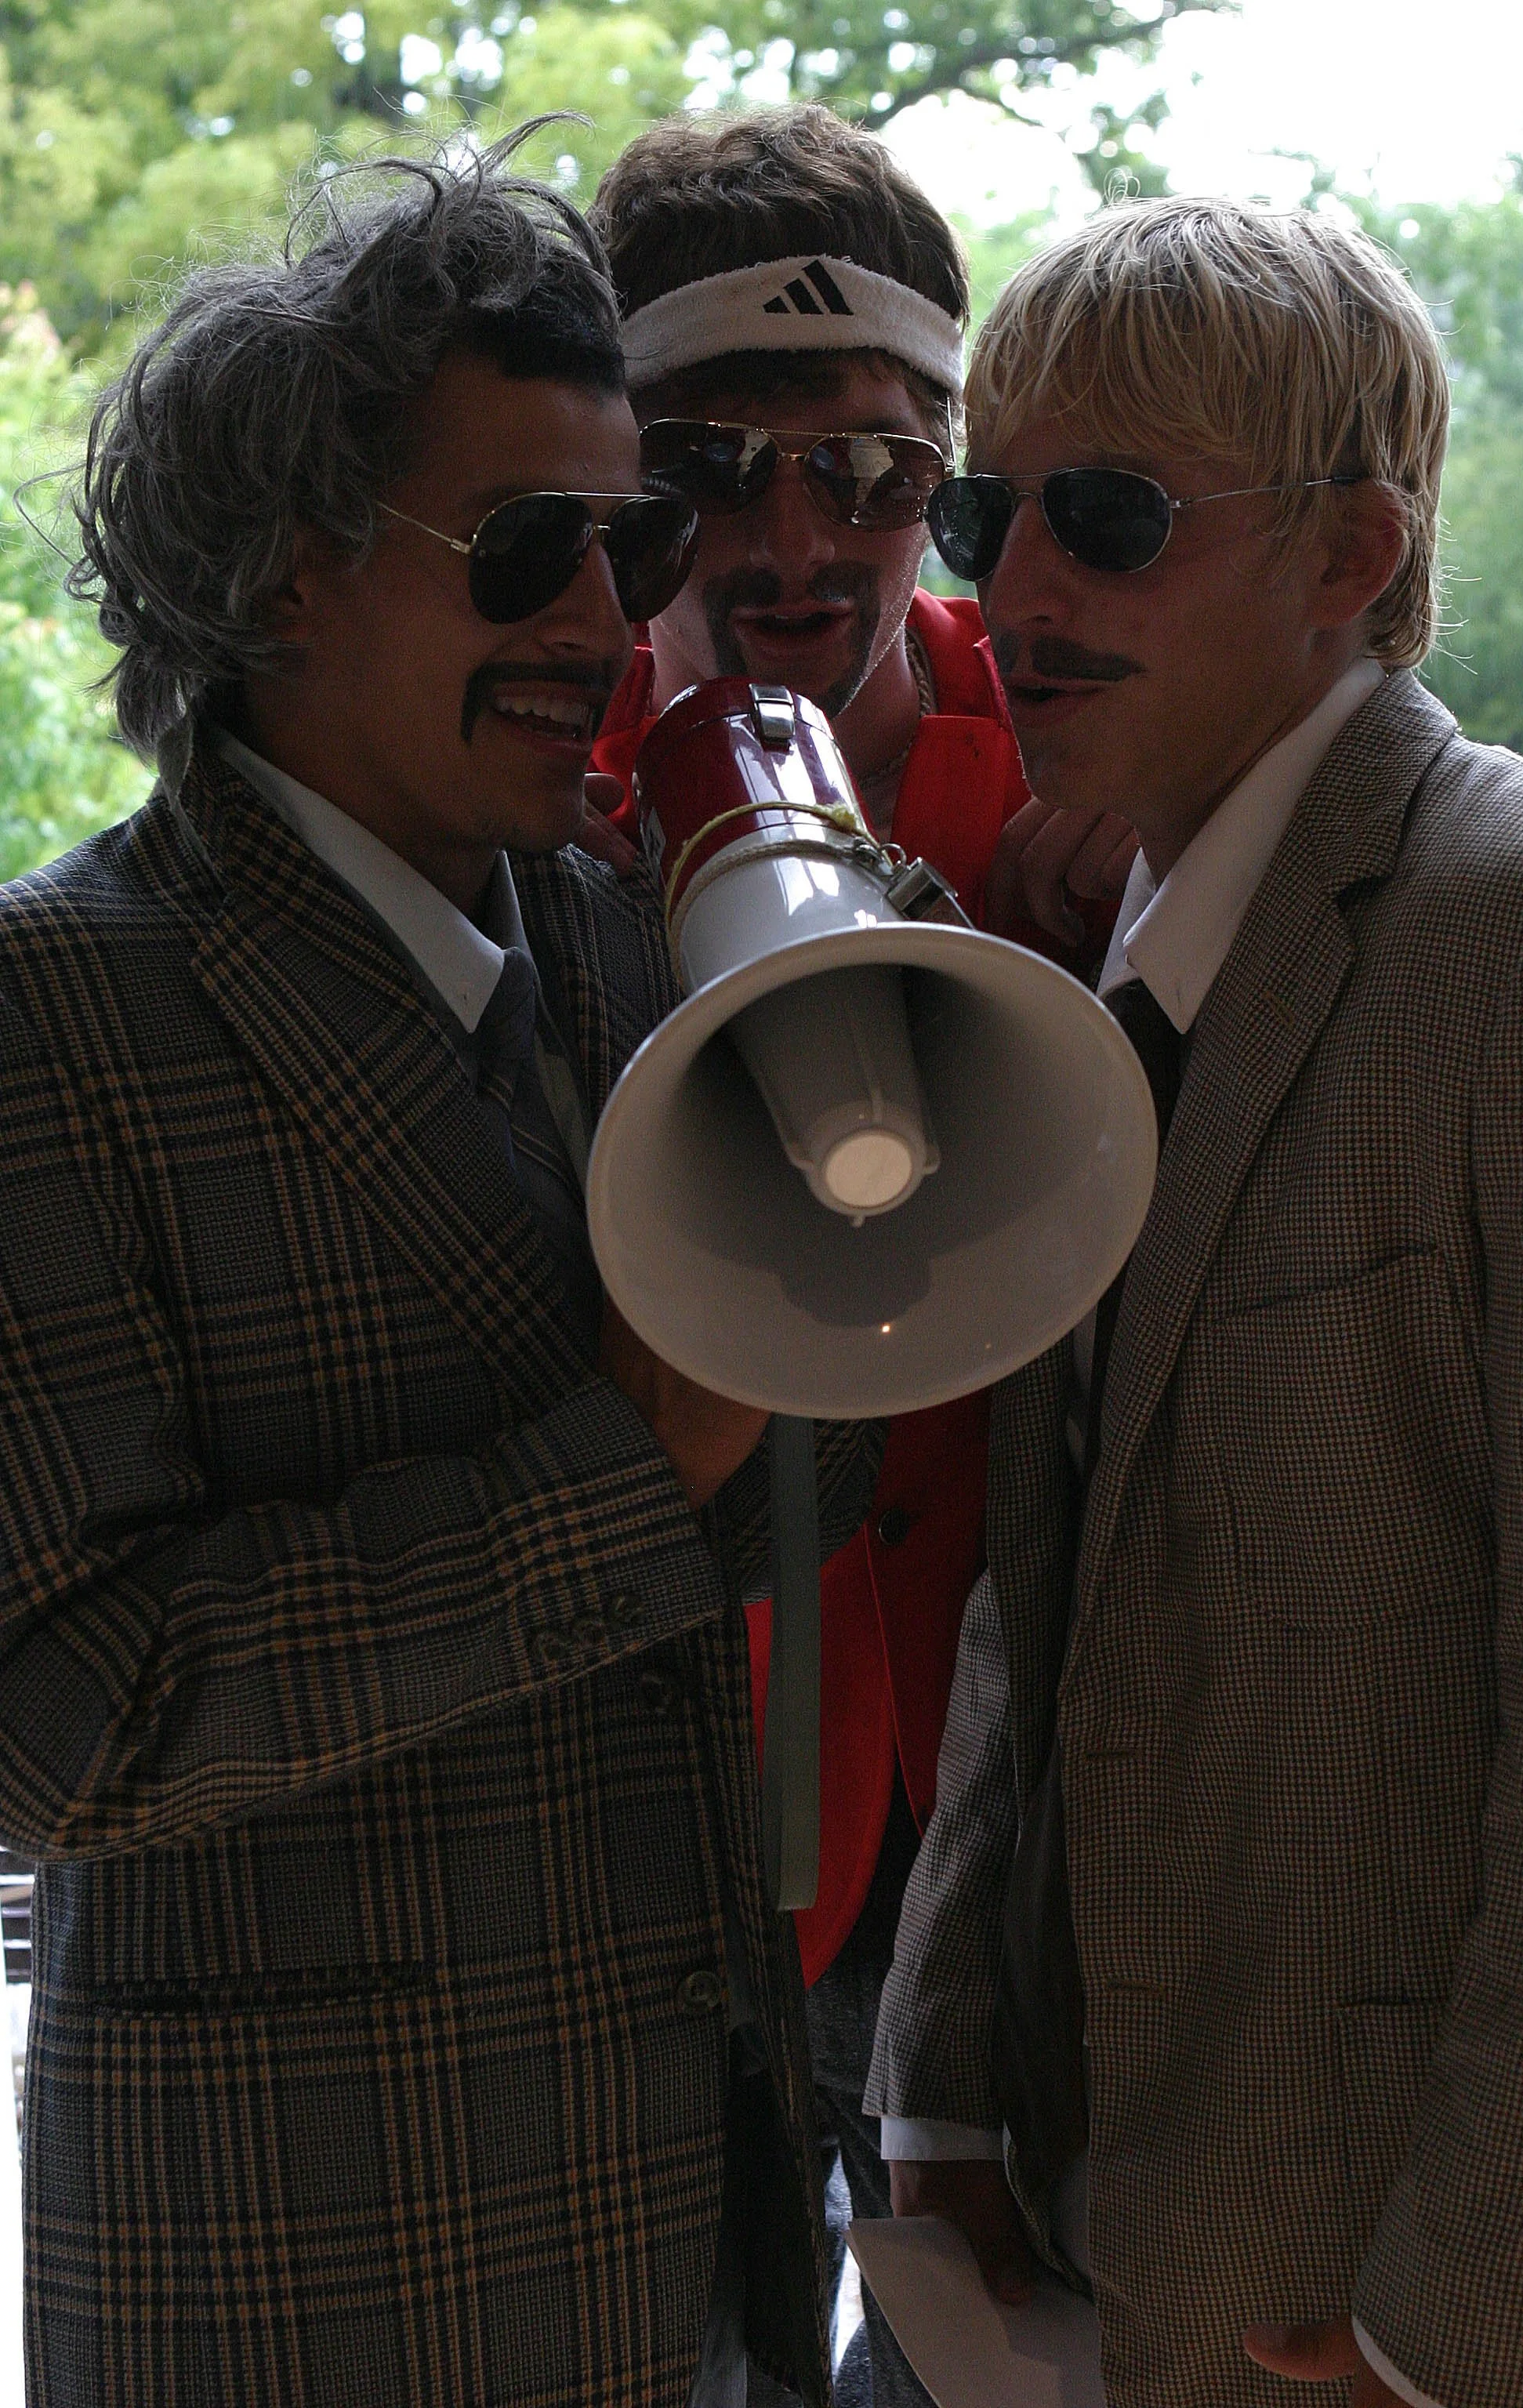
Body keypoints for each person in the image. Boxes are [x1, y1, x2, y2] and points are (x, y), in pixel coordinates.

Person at [0, 131, 881, 2408]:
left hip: (698, 2270)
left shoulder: (625, 933)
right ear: (279, 576)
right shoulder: (55, 1013)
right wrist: (617, 1472)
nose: (605, 621)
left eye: (636, 540)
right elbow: (52, 1724)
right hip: (306, 2288)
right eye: (524, 551)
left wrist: (901, 1144)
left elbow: (794, 1488)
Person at [870, 196, 1523, 2408]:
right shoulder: (1126, 943)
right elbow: (1052, 1586)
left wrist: (1445, 2327)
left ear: (1355, 554)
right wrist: (944, 2092)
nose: (1009, 591)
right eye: (992, 509)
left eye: (1105, 517)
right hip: (1079, 2265)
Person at [584, 104, 1134, 2407]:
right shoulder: (531, 792)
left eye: (882, 474)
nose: (803, 542)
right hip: (683, 1777)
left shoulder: (1096, 782)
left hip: (1028, 1789)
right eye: (715, 469)